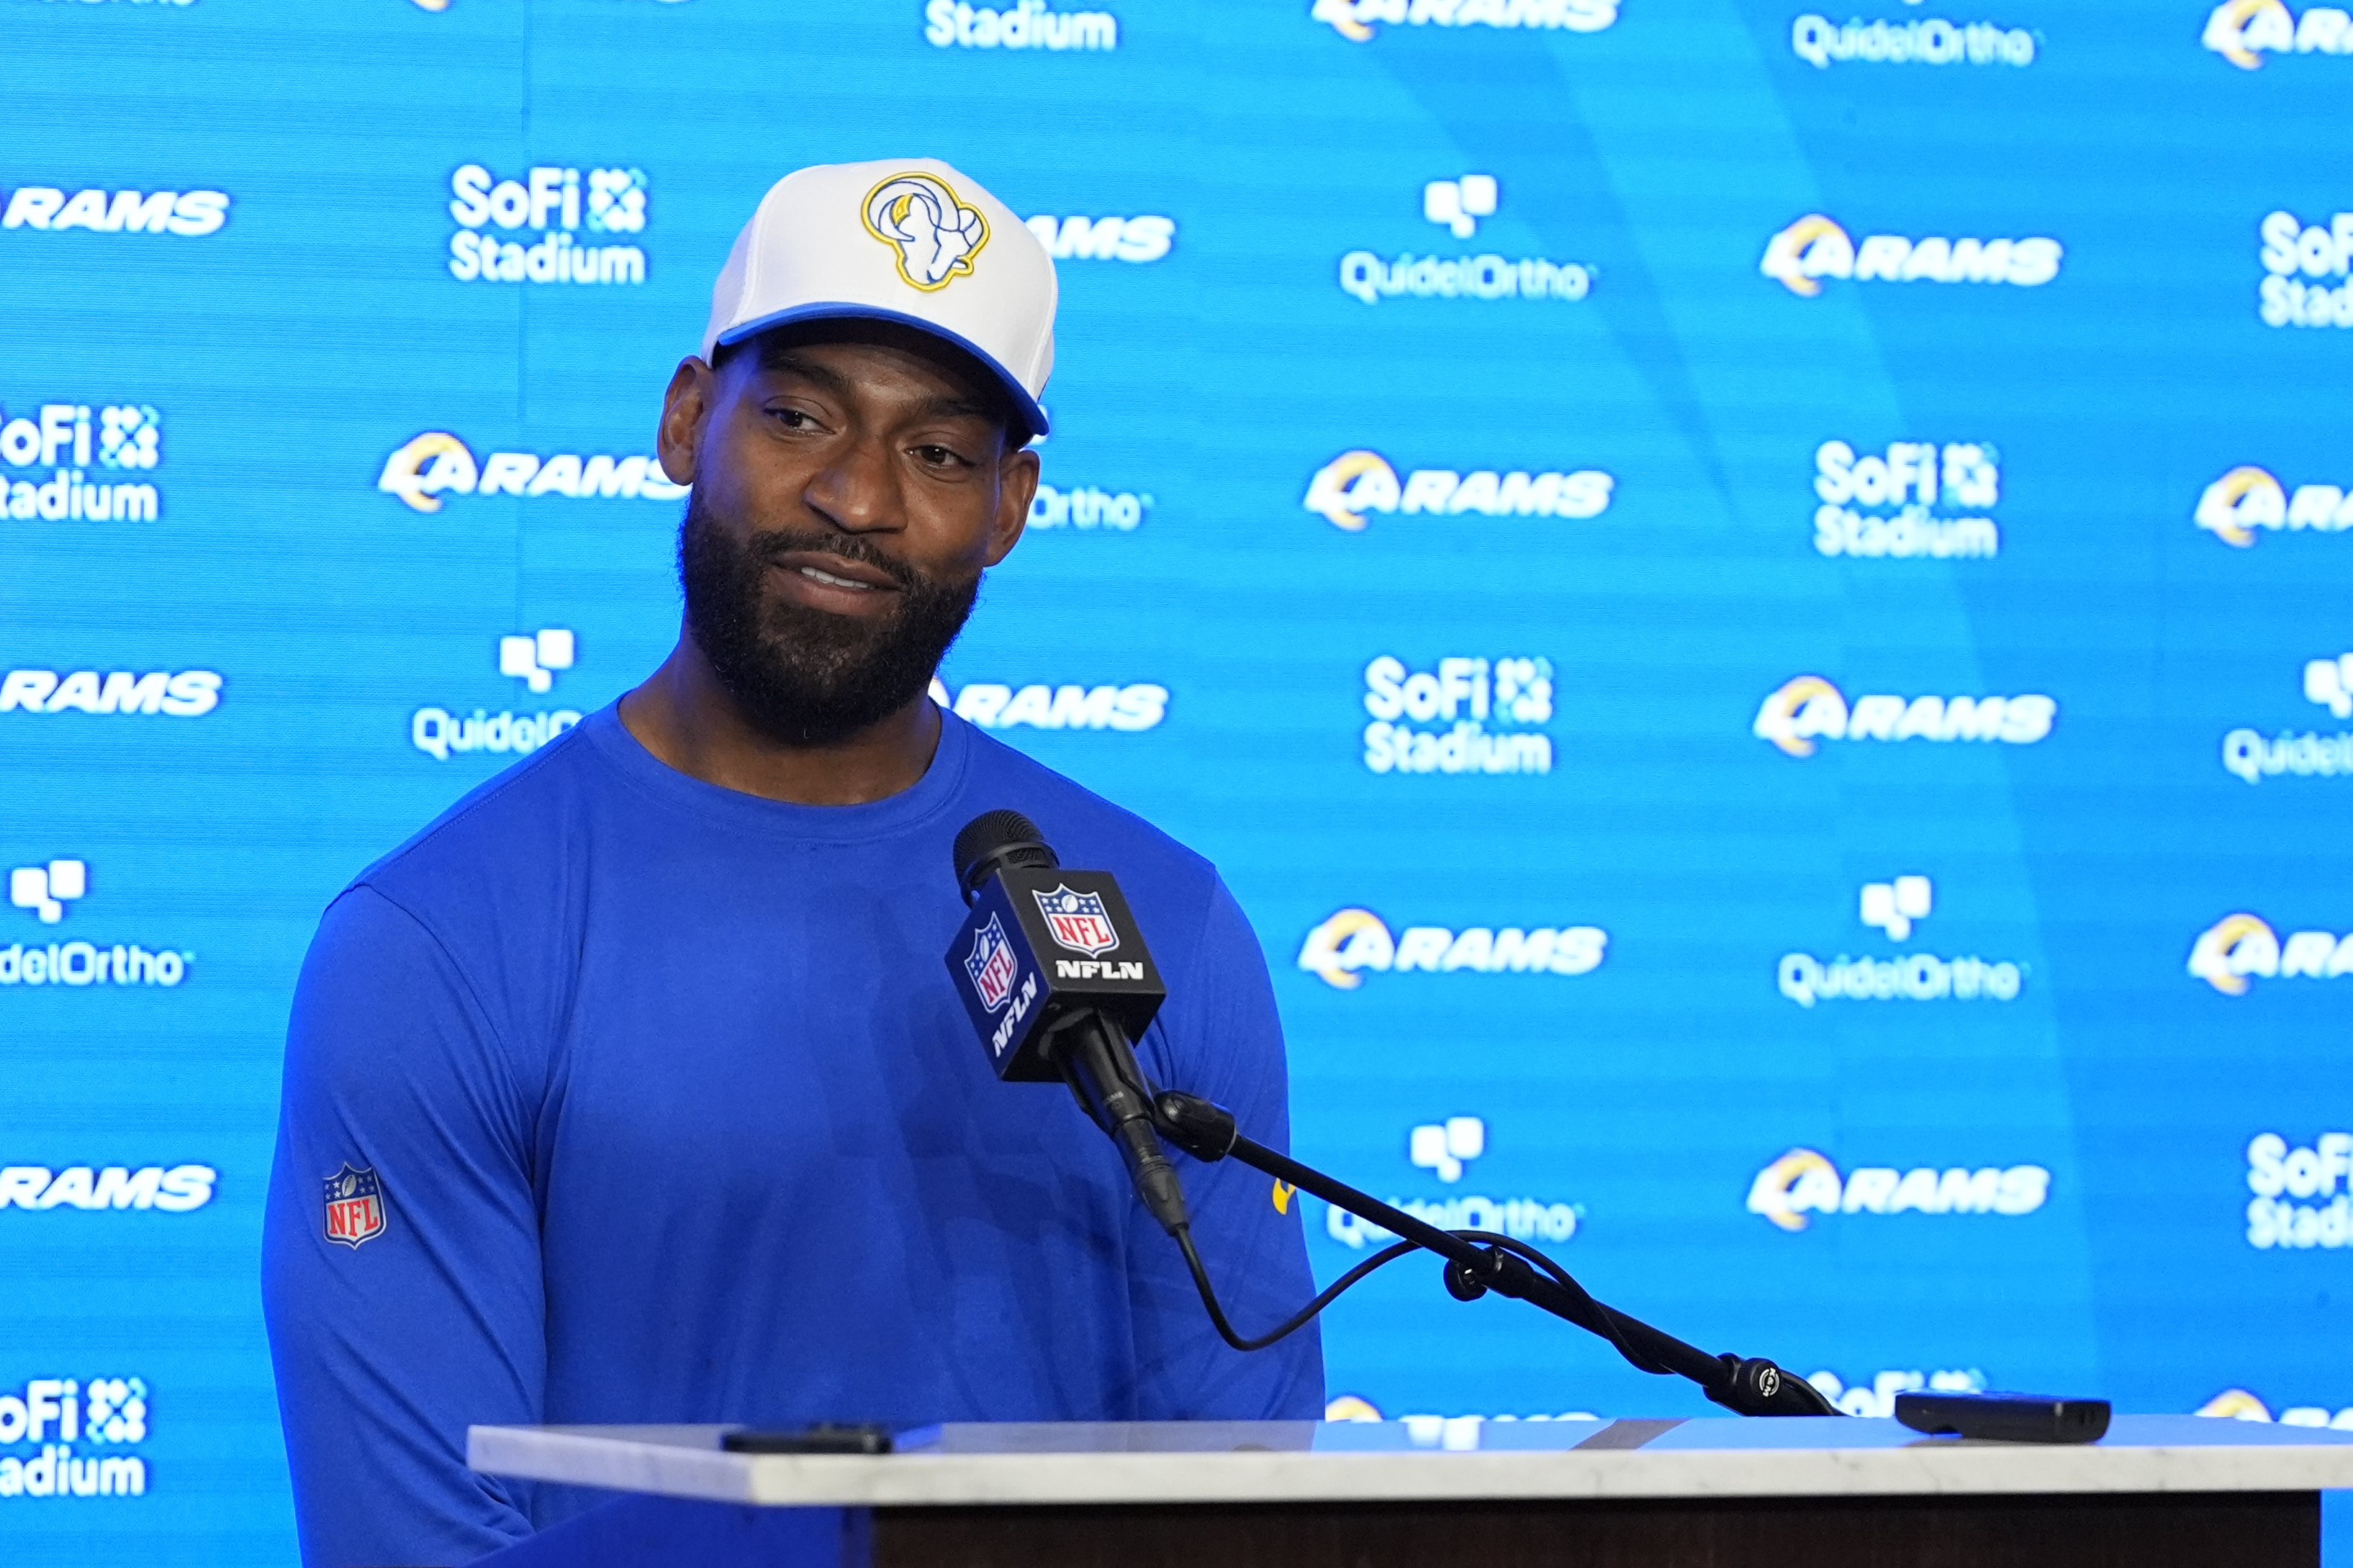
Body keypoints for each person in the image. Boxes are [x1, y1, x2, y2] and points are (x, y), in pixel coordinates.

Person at [261, 158, 1322, 1568]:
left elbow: (1244, 1489)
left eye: (937, 454)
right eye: (800, 416)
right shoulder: (441, 939)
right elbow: (420, 1542)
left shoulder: (1161, 919)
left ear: (1009, 507)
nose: (856, 496)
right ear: (687, 420)